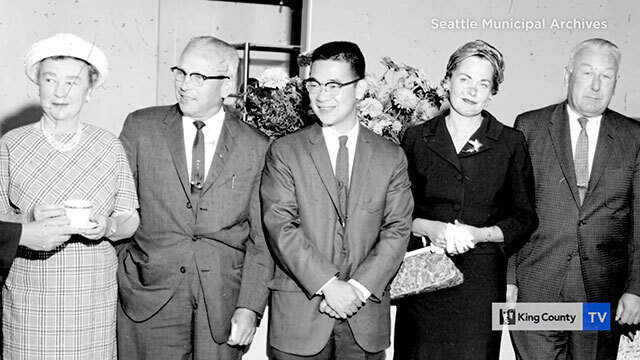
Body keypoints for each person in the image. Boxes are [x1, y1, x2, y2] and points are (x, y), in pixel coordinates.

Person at [117, 36, 271, 360]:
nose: (185, 85)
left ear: (226, 85)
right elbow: (116, 210)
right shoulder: (140, 127)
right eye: (180, 73)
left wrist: (249, 307)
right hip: (149, 299)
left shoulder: (256, 146)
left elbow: (261, 240)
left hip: (221, 306)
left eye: (198, 77)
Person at [261, 41, 413, 359]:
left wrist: (356, 289)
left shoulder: (391, 156)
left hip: (365, 324)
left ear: (360, 89)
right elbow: (280, 226)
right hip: (299, 325)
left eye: (333, 85)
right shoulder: (285, 151)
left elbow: (397, 230)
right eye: (314, 84)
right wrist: (329, 285)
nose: (321, 96)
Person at [393, 40, 538, 360]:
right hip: (423, 283)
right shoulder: (417, 137)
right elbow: (397, 211)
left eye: (483, 83)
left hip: (480, 286)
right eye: (464, 79)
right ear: (447, 81)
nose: (472, 90)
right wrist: (431, 227)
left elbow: (525, 216)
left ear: (492, 92)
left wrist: (480, 234)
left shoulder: (509, 142)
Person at [0, 33, 140, 358]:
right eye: (50, 80)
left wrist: (108, 226)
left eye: (72, 83)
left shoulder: (108, 146)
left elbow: (130, 217)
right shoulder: (10, 144)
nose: (59, 92)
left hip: (91, 299)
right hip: (30, 296)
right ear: (38, 85)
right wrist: (27, 219)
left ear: (89, 91)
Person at [509, 38, 640, 360]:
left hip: (599, 295)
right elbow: (510, 209)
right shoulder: (528, 127)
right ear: (568, 74)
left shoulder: (633, 136)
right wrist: (508, 279)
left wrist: (636, 289)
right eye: (587, 73)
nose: (596, 86)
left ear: (616, 82)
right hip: (534, 289)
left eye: (606, 76)